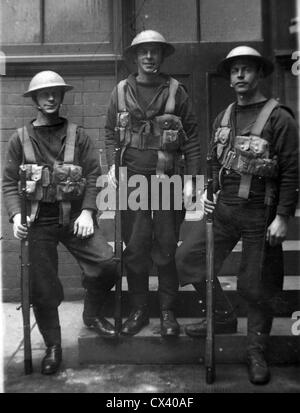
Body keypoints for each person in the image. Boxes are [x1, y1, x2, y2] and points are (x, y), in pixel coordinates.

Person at [176, 46, 299, 384]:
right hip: (226, 209)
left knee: (254, 285)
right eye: (234, 71)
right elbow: (214, 161)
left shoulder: (279, 118)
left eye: (246, 69)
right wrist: (209, 193)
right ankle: (221, 314)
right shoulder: (224, 116)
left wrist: (284, 216)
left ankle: (256, 351)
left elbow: (291, 170)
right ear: (229, 78)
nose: (240, 76)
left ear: (259, 74)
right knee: (189, 257)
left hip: (262, 213)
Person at [2, 71, 118, 375]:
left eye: (56, 92)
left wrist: (88, 212)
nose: (51, 97)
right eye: (44, 93)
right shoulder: (20, 138)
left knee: (106, 263)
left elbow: (94, 175)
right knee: (42, 287)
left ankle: (91, 314)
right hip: (38, 222)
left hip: (74, 217)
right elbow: (9, 183)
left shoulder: (78, 135)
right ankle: (53, 345)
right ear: (35, 100)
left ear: (62, 96)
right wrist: (16, 216)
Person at [105, 30, 201, 337]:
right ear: (134, 57)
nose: (149, 57)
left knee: (166, 247)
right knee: (134, 248)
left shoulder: (176, 91)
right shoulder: (120, 91)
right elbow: (109, 133)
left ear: (162, 56)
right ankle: (139, 310)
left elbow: (194, 139)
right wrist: (111, 166)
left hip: (167, 183)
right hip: (132, 183)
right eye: (143, 52)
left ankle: (167, 312)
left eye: (155, 52)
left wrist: (192, 182)